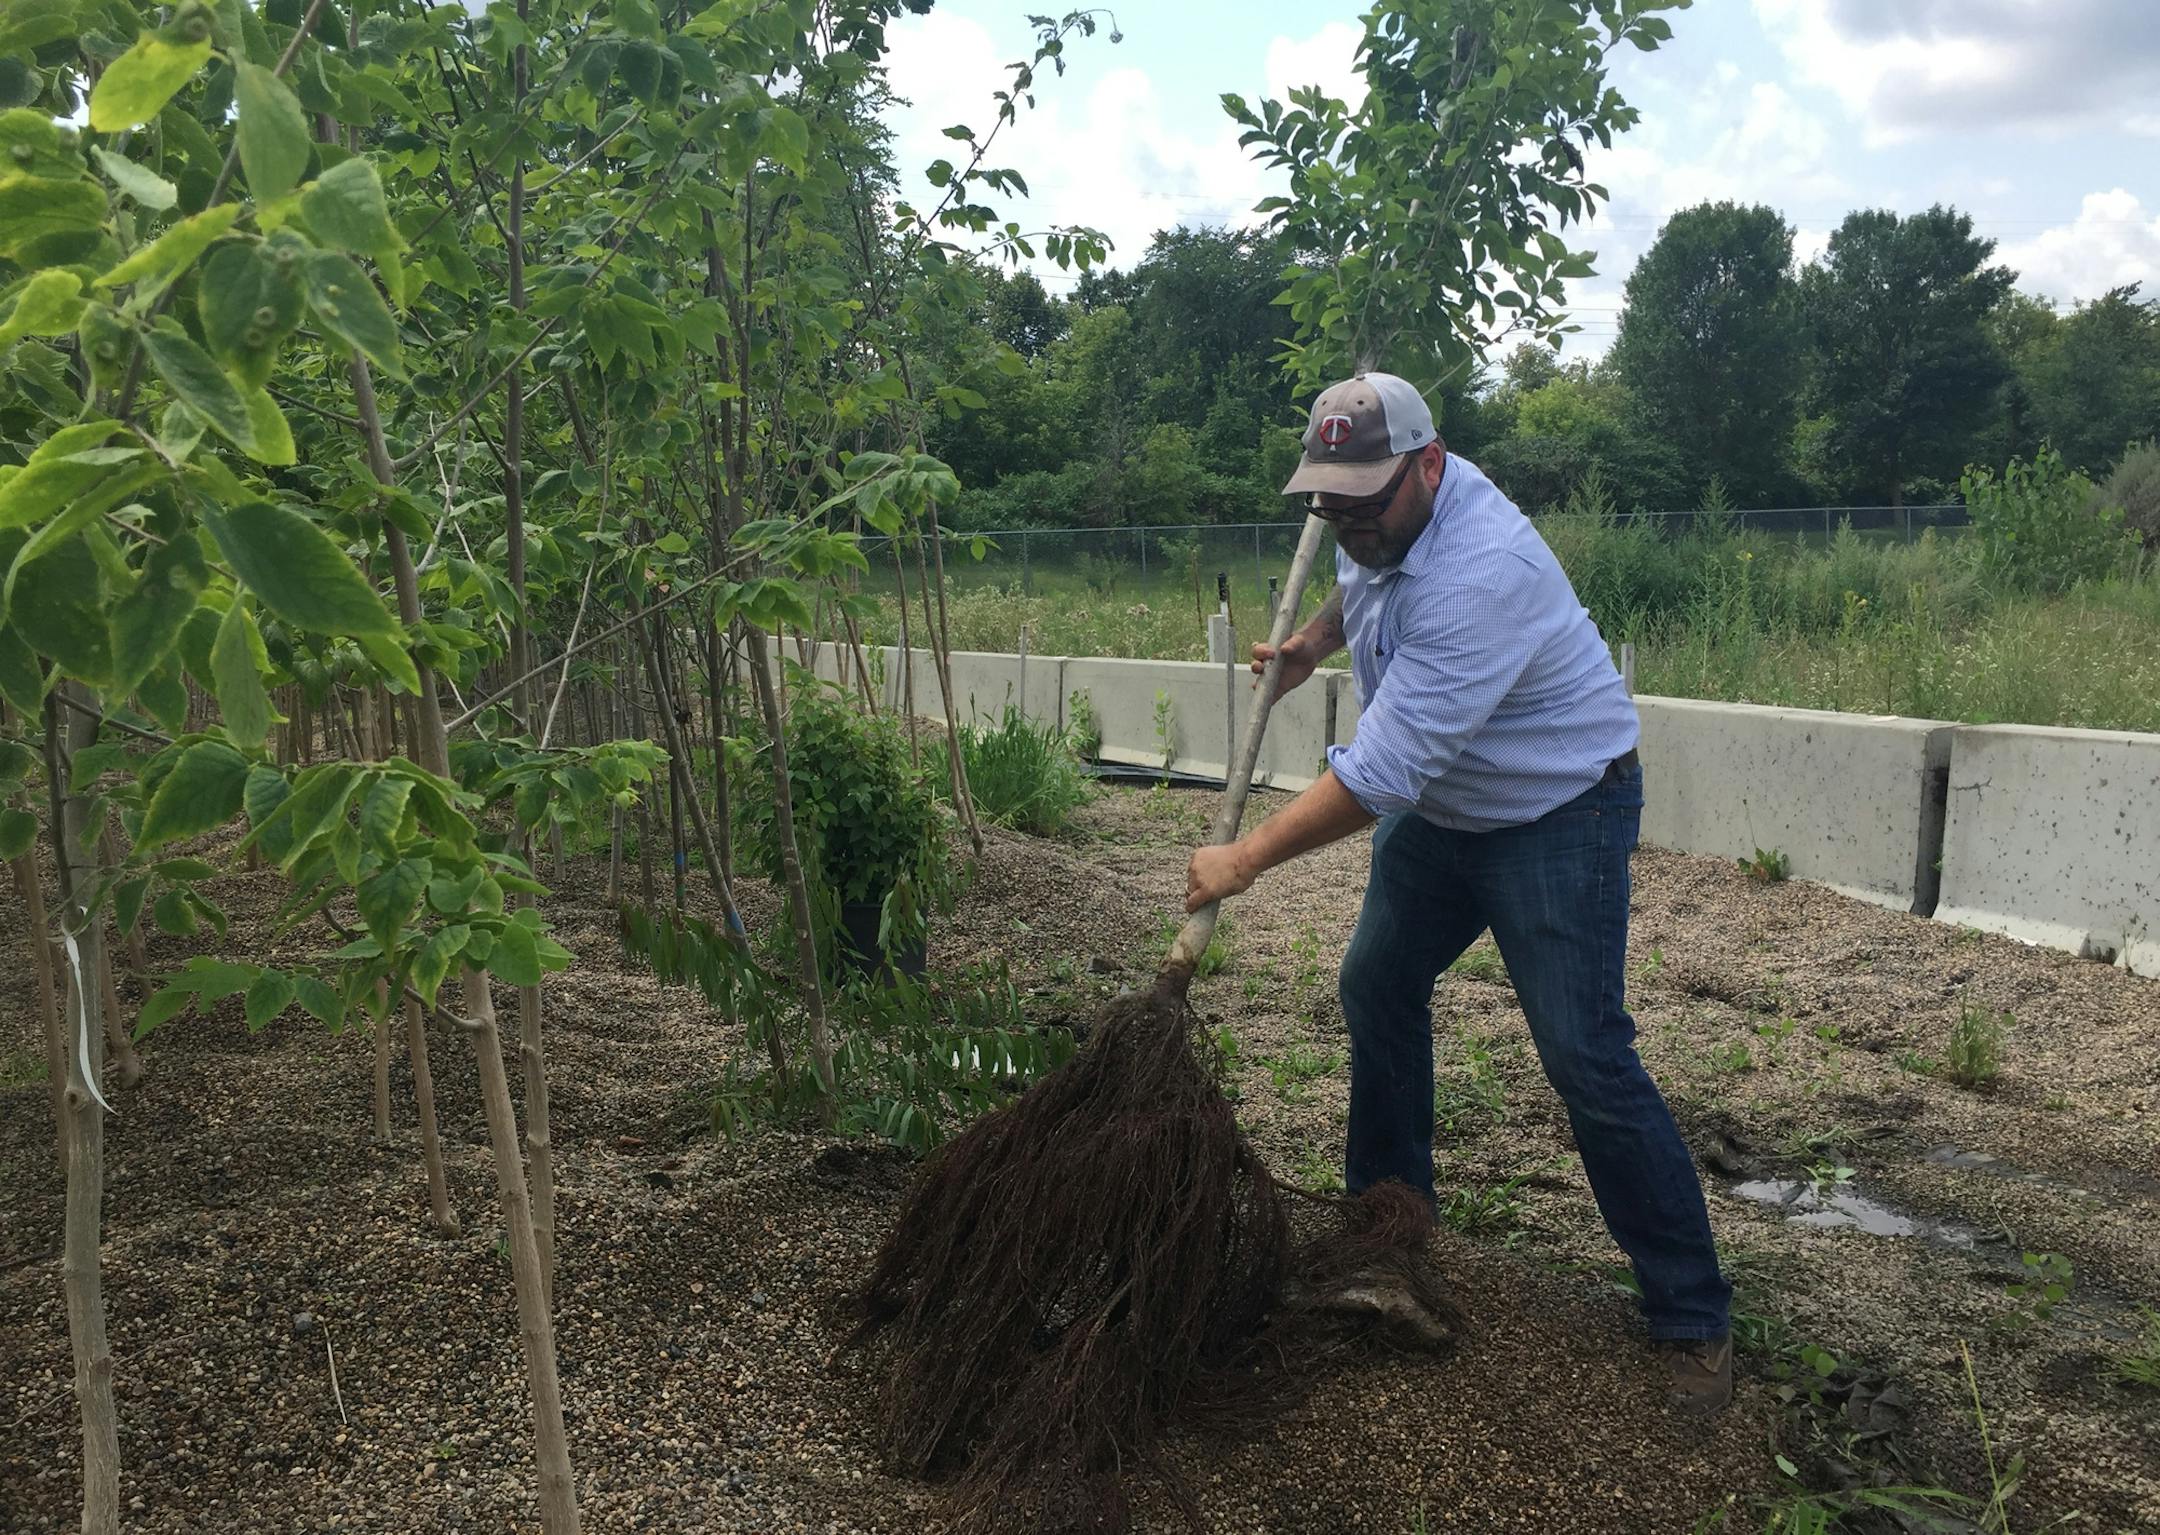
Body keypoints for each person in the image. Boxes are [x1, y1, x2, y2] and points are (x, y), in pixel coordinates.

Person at [1184, 370, 1733, 1414]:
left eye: (1364, 504)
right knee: (1377, 985)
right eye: (1327, 506)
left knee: (1584, 1050)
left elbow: (1379, 777)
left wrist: (1244, 857)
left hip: (1556, 811)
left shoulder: (1484, 572)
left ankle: (1693, 1311)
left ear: (1427, 466)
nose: (1346, 525)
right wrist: (1310, 646)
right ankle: (1389, 1231)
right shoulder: (1389, 515)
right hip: (1448, 811)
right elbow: (1369, 578)